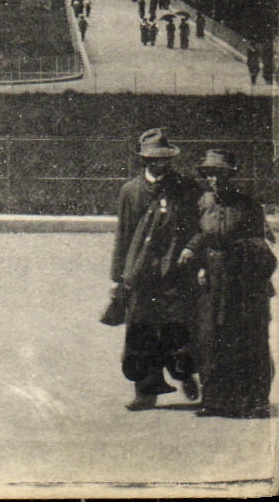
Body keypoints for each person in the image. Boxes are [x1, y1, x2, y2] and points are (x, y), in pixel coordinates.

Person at [177, 149, 275, 418]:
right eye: (210, 174)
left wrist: (241, 255)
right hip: (210, 276)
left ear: (231, 176)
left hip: (241, 278)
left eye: (220, 174)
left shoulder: (248, 204)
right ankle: (215, 400)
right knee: (210, 337)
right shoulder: (200, 203)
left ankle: (255, 401)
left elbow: (260, 242)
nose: (215, 180)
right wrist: (198, 264)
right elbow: (194, 234)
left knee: (248, 337)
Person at [110, 128, 201, 410]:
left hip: (175, 269)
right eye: (151, 159)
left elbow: (196, 226)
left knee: (178, 327)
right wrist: (117, 278)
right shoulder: (130, 191)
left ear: (169, 160)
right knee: (140, 331)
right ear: (143, 160)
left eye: (162, 159)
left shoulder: (185, 188)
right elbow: (123, 234)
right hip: (141, 273)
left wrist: (192, 254)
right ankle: (145, 391)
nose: (157, 164)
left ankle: (185, 374)